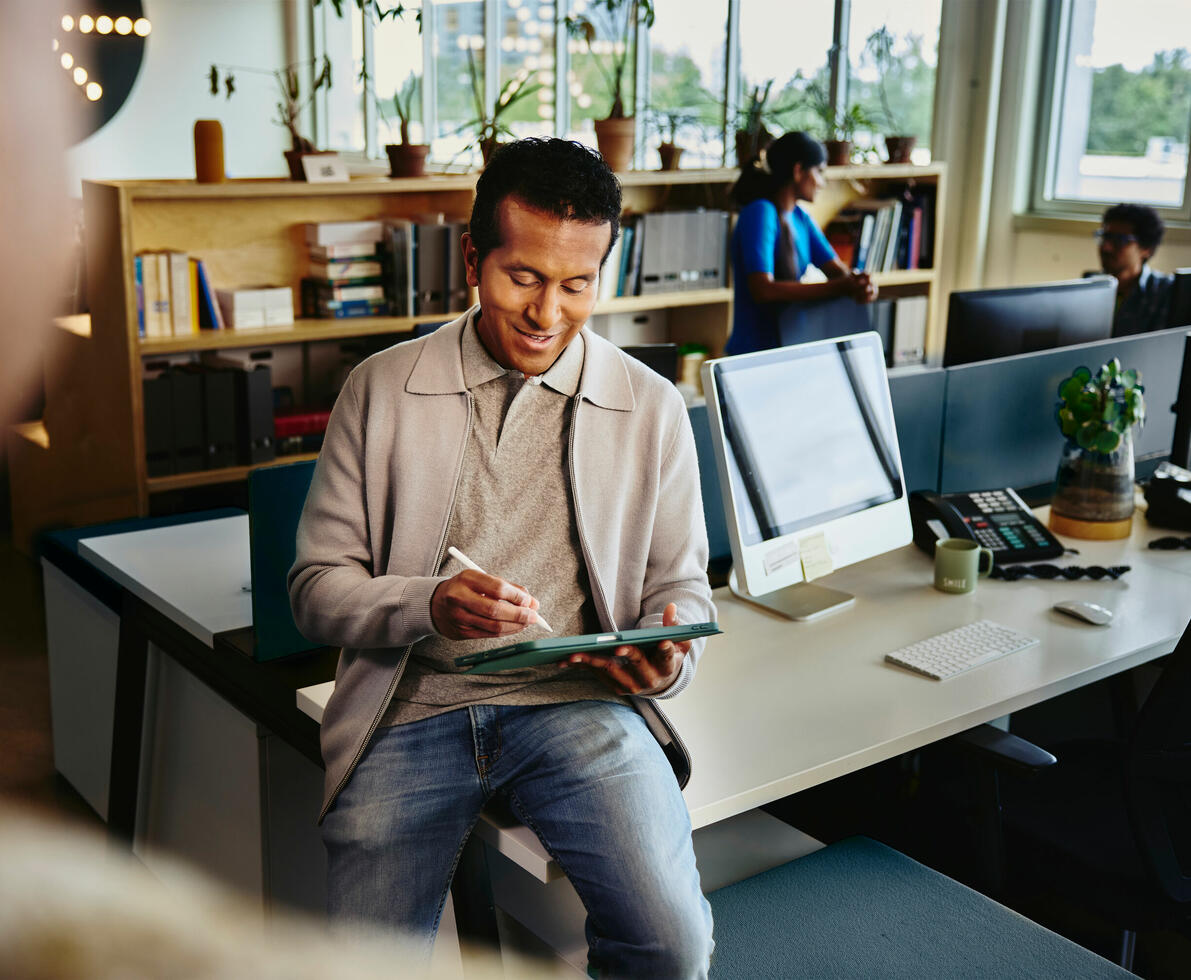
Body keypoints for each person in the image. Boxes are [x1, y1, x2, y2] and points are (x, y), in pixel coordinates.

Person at [289, 137, 716, 978]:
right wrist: (426, 603)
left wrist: (667, 654)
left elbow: (680, 587)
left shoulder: (652, 407)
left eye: (576, 284)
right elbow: (314, 588)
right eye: (522, 277)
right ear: (474, 257)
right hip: (411, 708)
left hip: (576, 706)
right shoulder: (380, 388)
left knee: (674, 944)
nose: (545, 313)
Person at [725, 131, 878, 355]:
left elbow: (839, 273)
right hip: (754, 354)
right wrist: (841, 287)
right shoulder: (760, 212)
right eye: (819, 171)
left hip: (791, 346)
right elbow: (763, 290)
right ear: (798, 171)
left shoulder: (800, 217)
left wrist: (861, 285)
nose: (822, 183)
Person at [1098, 202, 1175, 336]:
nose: (1106, 247)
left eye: (1119, 240)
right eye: (1105, 237)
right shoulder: (1091, 288)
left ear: (1146, 249)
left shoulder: (1166, 291)